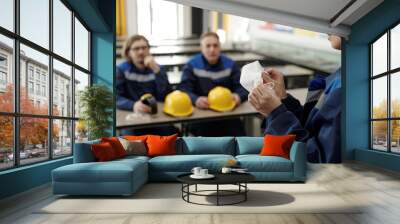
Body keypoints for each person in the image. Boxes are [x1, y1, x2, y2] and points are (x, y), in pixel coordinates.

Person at [249, 35, 342, 163]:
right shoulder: (341, 75)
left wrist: (276, 114)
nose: (327, 30)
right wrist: (282, 98)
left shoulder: (345, 87)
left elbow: (318, 160)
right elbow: (311, 127)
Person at [179, 32, 248, 136]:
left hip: (227, 114)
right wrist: (195, 100)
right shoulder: (192, 65)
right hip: (202, 115)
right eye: (208, 46)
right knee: (205, 145)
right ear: (201, 48)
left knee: (239, 137)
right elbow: (184, 89)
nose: (212, 49)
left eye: (215, 45)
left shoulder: (230, 64)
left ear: (220, 47)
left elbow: (243, 87)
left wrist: (238, 96)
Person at [116, 35, 178, 135]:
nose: (141, 52)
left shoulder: (158, 69)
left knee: (169, 134)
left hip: (156, 116)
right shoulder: (121, 70)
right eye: (136, 49)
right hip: (131, 115)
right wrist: (133, 105)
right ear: (128, 52)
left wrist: (157, 72)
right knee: (132, 142)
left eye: (144, 48)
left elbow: (165, 95)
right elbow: (116, 97)